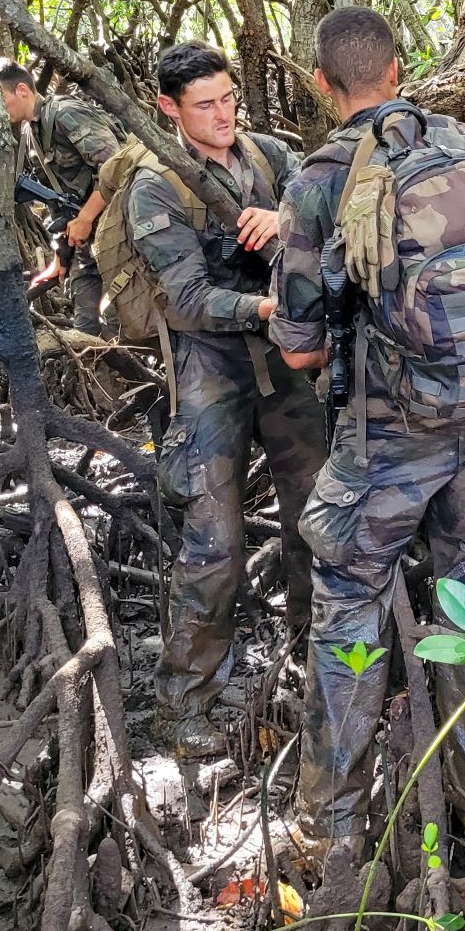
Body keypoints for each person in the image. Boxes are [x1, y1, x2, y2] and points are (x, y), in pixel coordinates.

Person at [272, 6, 465, 865]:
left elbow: (301, 346)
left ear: (324, 85)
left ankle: (333, 832)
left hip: (386, 444)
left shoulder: (318, 180)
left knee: (350, 613)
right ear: (399, 70)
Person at [125, 41, 327, 758]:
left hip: (287, 362)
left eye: (228, 99)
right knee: (214, 540)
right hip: (210, 364)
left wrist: (289, 225)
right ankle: (184, 705)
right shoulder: (157, 185)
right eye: (204, 105)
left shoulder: (272, 155)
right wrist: (266, 310)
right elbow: (183, 299)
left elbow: (328, 222)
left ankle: (320, 664)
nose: (221, 116)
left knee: (320, 515)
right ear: (168, 109)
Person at [0, 60, 121, 334]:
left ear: (22, 90)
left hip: (119, 234)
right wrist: (60, 257)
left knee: (119, 324)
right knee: (84, 329)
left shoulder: (66, 113)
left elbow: (117, 168)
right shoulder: (31, 135)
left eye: (1, 98)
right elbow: (59, 204)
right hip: (84, 244)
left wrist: (86, 217)